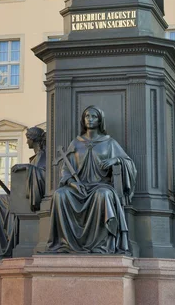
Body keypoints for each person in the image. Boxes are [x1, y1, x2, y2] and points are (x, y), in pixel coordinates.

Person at [47, 106, 137, 254]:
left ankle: (101, 244)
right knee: (60, 194)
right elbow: (66, 170)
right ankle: (64, 243)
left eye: (94, 116)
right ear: (83, 120)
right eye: (87, 116)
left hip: (101, 185)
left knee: (103, 195)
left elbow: (129, 163)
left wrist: (116, 160)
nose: (90, 119)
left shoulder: (109, 142)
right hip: (78, 187)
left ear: (100, 120)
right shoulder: (76, 143)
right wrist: (73, 183)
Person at [0, 126, 46, 258]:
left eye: (27, 138)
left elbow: (43, 176)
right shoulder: (36, 157)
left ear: (33, 139)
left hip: (35, 200)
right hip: (27, 197)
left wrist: (26, 167)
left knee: (0, 200)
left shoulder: (42, 156)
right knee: (1, 200)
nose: (26, 142)